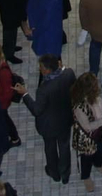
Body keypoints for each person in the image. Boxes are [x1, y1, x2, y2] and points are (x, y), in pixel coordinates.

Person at [26, 54, 76, 184]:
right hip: (65, 120)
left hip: (48, 125)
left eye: (41, 67)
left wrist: (25, 95)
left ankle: (54, 173)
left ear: (48, 70)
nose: (40, 69)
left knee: (50, 148)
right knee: (64, 146)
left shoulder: (44, 89)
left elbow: (37, 110)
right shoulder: (69, 74)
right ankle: (65, 174)